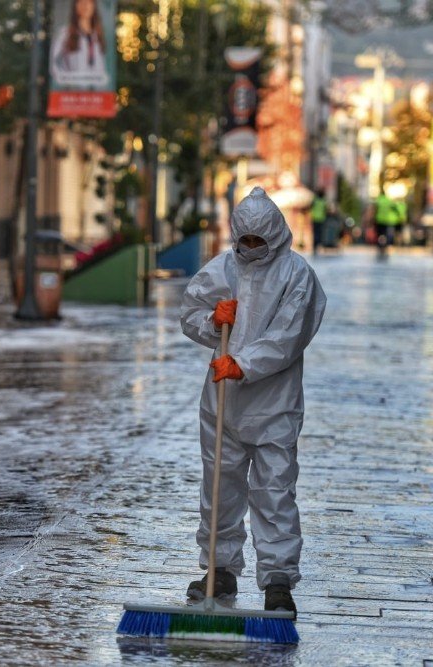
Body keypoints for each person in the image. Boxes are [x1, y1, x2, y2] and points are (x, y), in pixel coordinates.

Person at [180, 187, 327, 615]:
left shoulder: (297, 275)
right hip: (223, 403)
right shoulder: (221, 269)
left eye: (257, 241)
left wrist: (243, 364)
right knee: (219, 490)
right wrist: (212, 320)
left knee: (274, 491)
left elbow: (289, 335)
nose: (250, 249)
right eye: (244, 241)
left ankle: (278, 579)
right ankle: (219, 569)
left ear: (275, 236)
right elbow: (189, 314)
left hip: (274, 404)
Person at [50, 0, 109, 88]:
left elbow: (101, 68)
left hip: (95, 95)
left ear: (94, 6)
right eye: (81, 2)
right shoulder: (65, 33)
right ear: (75, 6)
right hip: (73, 93)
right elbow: (53, 63)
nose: (85, 6)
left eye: (89, 2)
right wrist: (65, 80)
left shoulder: (98, 35)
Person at [309, 189, 327, 254]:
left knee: (315, 233)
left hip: (315, 218)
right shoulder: (323, 201)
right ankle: (318, 246)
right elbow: (325, 210)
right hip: (321, 219)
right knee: (320, 233)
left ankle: (314, 247)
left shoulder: (315, 200)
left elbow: (310, 207)